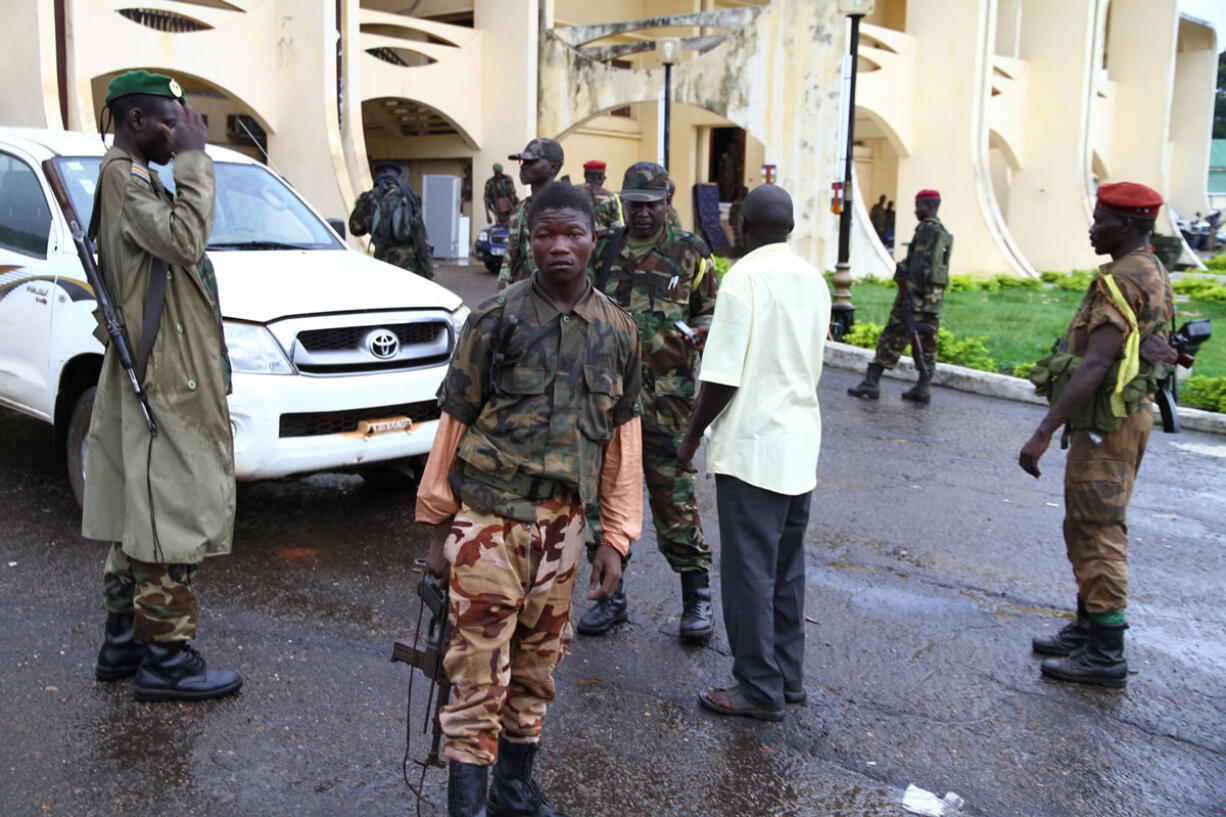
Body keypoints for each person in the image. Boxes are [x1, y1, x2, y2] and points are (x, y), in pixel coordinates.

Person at [415, 182, 643, 817]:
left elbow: (624, 442)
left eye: (573, 234)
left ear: (595, 239)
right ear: (530, 241)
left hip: (565, 531)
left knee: (538, 668)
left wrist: (616, 540)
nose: (560, 247)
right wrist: (439, 530)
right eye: (547, 235)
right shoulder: (495, 319)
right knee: (476, 673)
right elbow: (453, 424)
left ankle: (513, 788)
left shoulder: (619, 331)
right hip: (490, 522)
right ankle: (468, 806)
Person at [84, 70, 241, 702]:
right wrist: (196, 161)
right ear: (135, 122)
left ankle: (123, 643)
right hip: (163, 375)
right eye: (170, 123)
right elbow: (183, 239)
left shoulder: (133, 177)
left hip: (163, 367)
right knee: (169, 517)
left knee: (139, 514)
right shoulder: (125, 178)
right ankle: (166, 660)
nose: (181, 133)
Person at [677, 183, 829, 721]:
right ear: (788, 226)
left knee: (748, 574)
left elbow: (721, 379)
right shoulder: (813, 277)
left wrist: (690, 437)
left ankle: (757, 689)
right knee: (787, 571)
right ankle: (788, 679)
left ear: (741, 225)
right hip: (797, 446)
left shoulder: (743, 277)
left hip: (752, 451)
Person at [1019, 182, 1174, 689]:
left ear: (1125, 226)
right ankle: (1089, 628)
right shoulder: (1148, 269)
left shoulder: (1123, 281)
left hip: (1108, 424)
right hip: (1121, 419)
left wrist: (1044, 430)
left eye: (1100, 219)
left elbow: (1097, 363)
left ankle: (1106, 652)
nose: (1092, 228)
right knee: (1087, 525)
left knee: (1098, 531)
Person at [579, 162, 719, 642]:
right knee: (602, 498)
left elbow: (711, 310)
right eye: (633, 204)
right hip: (608, 400)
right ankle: (609, 596)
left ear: (668, 202)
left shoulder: (690, 251)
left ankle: (696, 601)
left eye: (651, 205)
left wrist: (703, 331)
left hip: (668, 402)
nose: (640, 214)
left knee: (673, 499)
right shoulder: (604, 247)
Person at [847, 189, 953, 404]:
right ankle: (923, 387)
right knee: (926, 342)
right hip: (933, 298)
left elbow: (919, 267)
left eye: (918, 206)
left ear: (928, 206)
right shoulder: (942, 231)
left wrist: (909, 296)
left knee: (892, 336)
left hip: (913, 297)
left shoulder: (926, 230)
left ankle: (871, 382)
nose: (916, 211)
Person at [498, 138, 565, 289]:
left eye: (530, 162)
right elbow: (511, 251)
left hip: (555, 292)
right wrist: (502, 290)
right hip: (523, 291)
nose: (523, 167)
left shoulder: (566, 208)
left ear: (553, 168)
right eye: (523, 162)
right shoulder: (520, 209)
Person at [349, 160, 434, 279]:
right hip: (408, 266)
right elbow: (420, 237)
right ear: (397, 176)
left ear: (377, 176)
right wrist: (428, 269)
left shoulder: (368, 198)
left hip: (382, 264)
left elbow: (355, 229)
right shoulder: (408, 196)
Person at [579, 159, 622, 232]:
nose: (605, 178)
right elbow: (616, 225)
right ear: (600, 178)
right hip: (603, 240)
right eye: (604, 175)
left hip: (579, 237)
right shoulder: (610, 196)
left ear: (585, 175)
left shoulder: (574, 192)